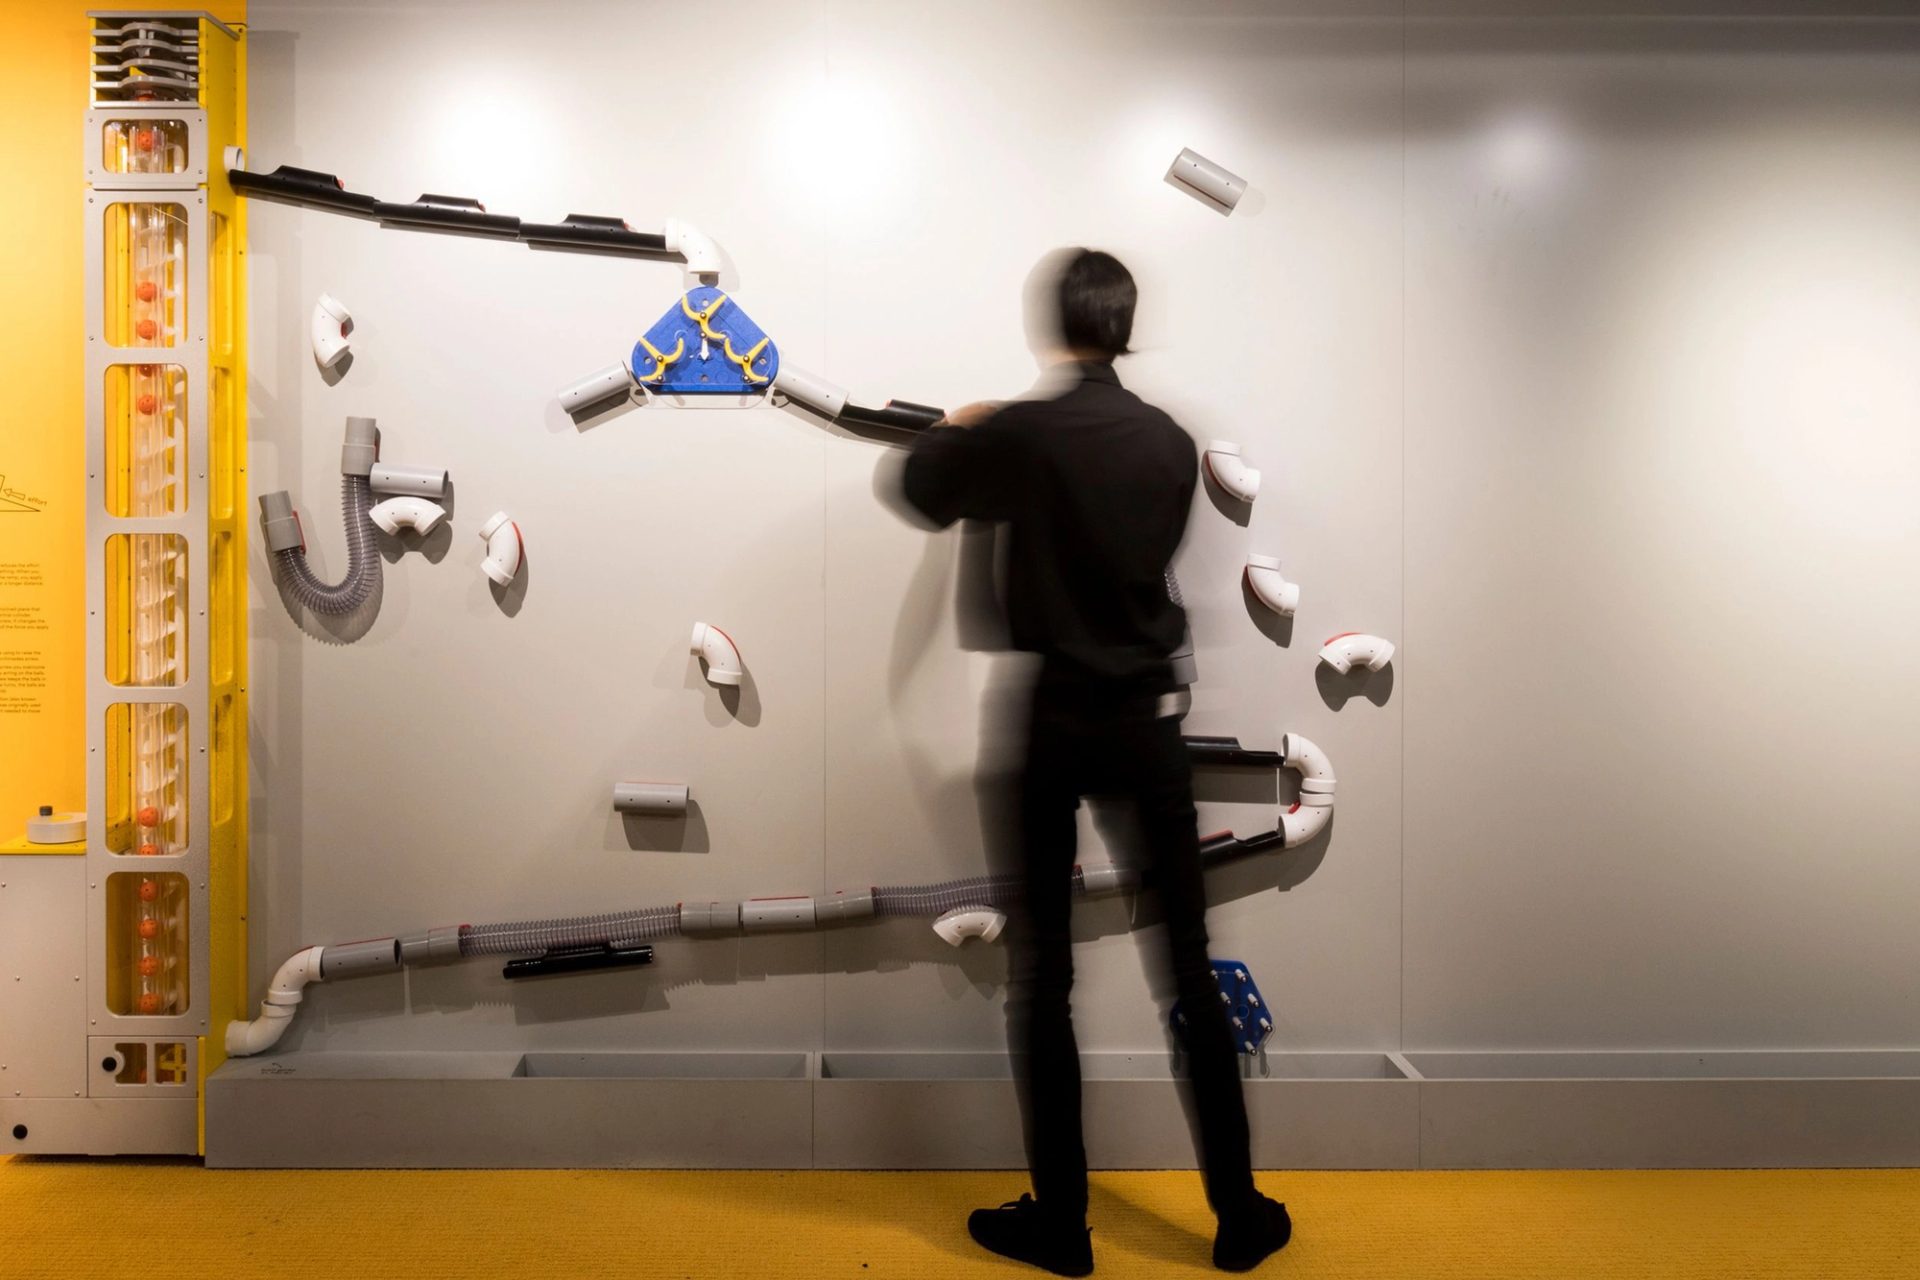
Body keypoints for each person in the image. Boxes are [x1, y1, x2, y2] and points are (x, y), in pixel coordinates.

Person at [899, 249, 1292, 1275]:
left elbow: (921, 490)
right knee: (1189, 968)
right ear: (1124, 327)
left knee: (1043, 976)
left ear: (1053, 324)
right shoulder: (1168, 442)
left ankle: (1062, 1224)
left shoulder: (1021, 434)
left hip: (1053, 718)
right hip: (1148, 718)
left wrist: (960, 424)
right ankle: (1239, 1212)